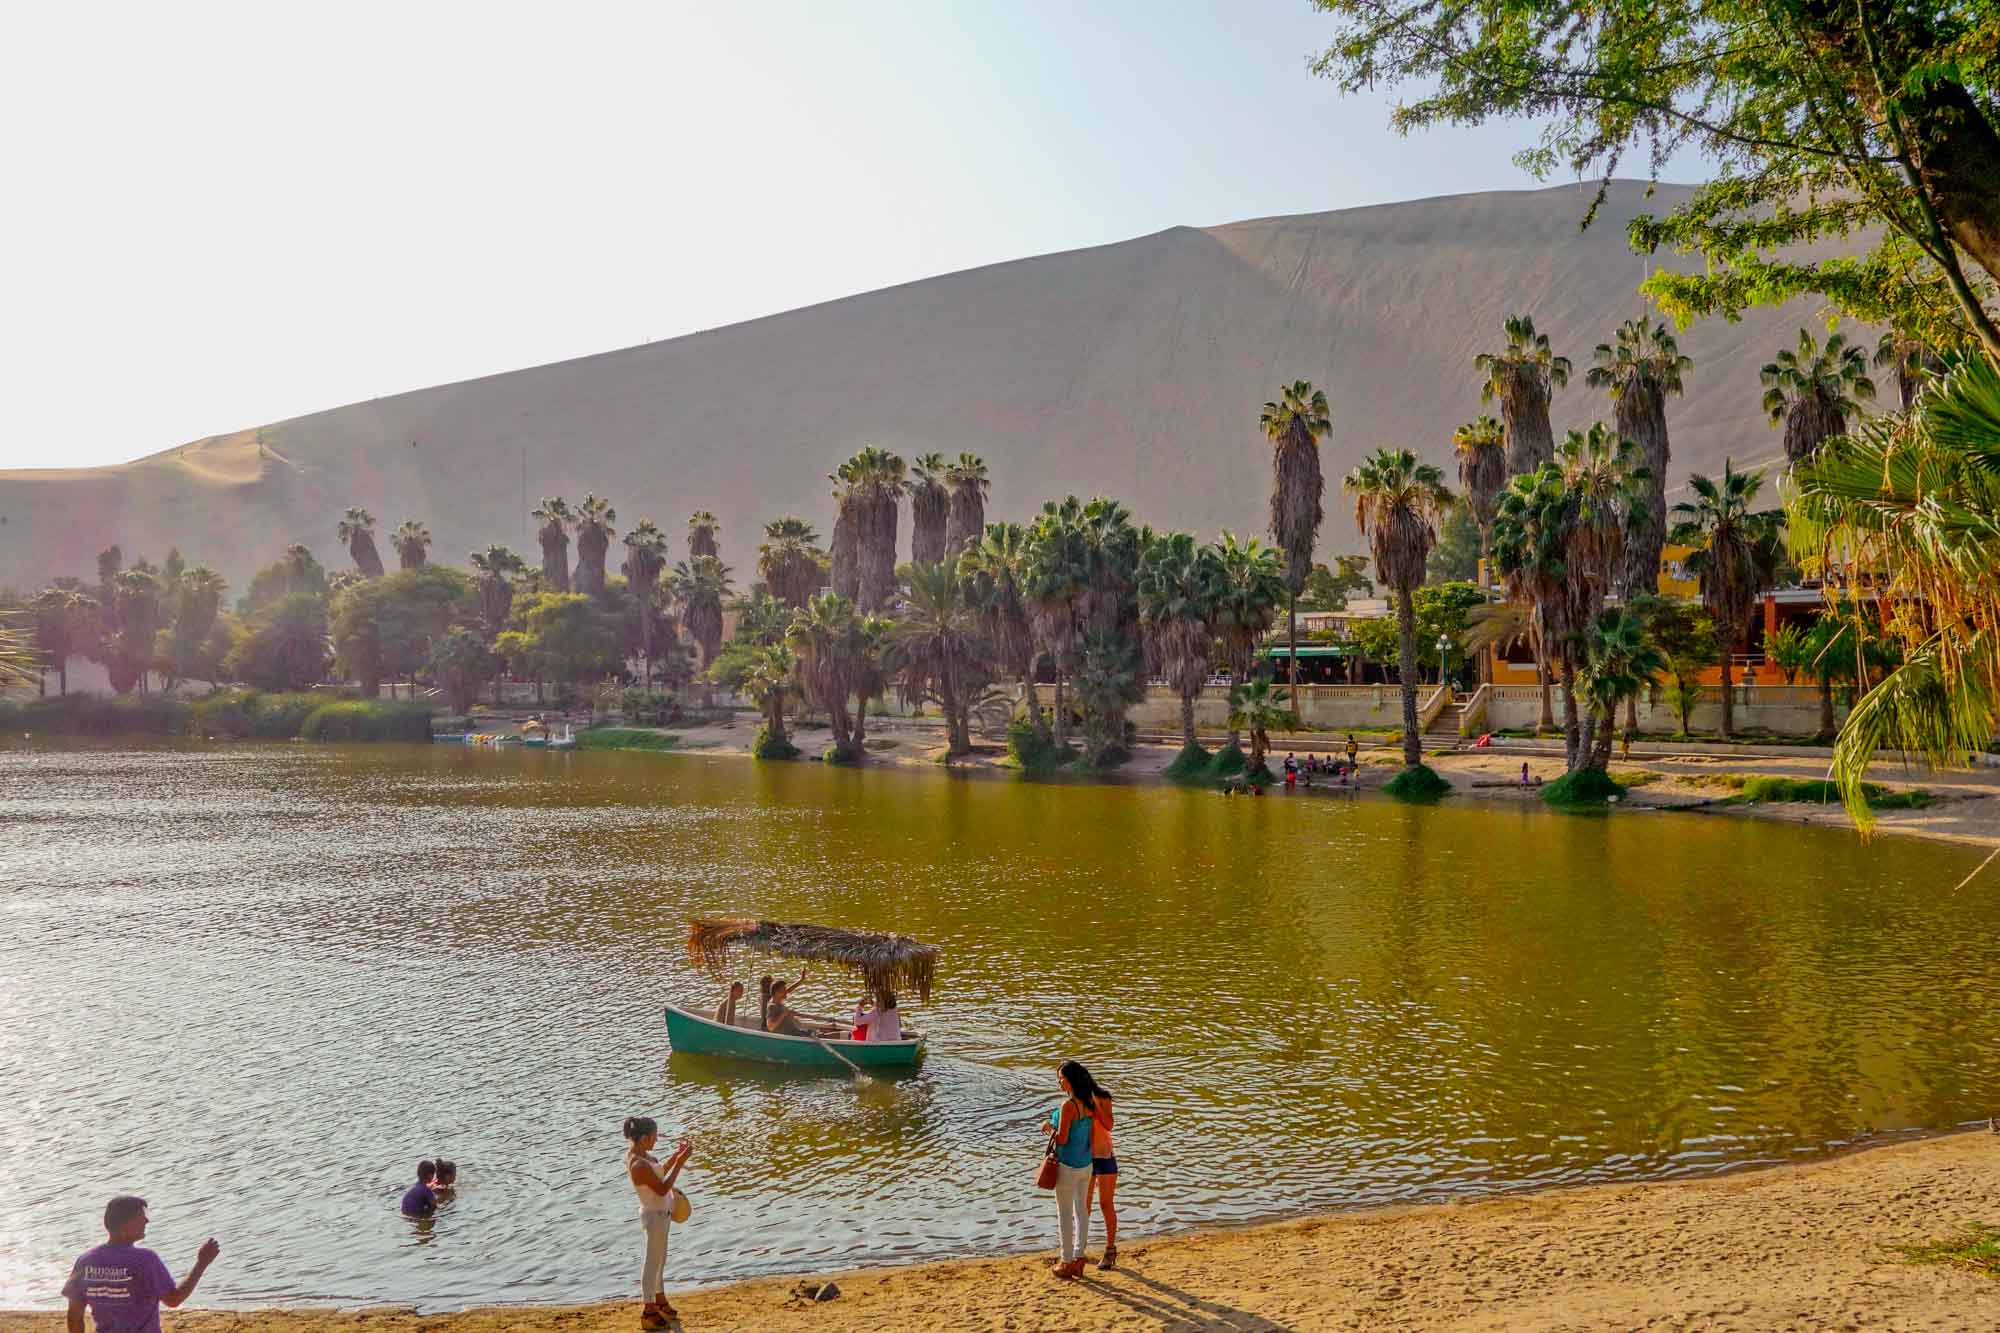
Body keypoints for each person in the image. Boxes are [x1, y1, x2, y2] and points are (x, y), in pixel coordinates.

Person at [64, 1195, 219, 1333]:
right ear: (125, 1227)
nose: (146, 1220)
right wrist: (201, 1264)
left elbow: (74, 1317)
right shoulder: (145, 1260)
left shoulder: (86, 1261)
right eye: (140, 1218)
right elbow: (173, 1300)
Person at [624, 1115, 692, 1330]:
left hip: (663, 1213)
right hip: (654, 1217)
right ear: (644, 1138)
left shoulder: (645, 1155)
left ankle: (660, 1300)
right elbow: (662, 1188)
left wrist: (676, 1156)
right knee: (652, 1263)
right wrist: (680, 1164)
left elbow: (660, 1171)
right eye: (654, 1136)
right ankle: (648, 1309)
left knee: (661, 1260)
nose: (656, 1140)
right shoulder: (637, 1165)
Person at [1044, 1060, 1102, 1279]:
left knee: (1065, 1214)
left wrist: (1048, 1128)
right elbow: (1089, 1135)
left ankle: (1066, 1261)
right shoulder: (1089, 1102)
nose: (1059, 1081)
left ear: (1070, 1080)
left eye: (1061, 1078)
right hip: (1086, 1164)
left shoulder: (1068, 1106)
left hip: (1067, 1165)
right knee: (1082, 1211)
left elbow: (1063, 1139)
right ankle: (1079, 1257)